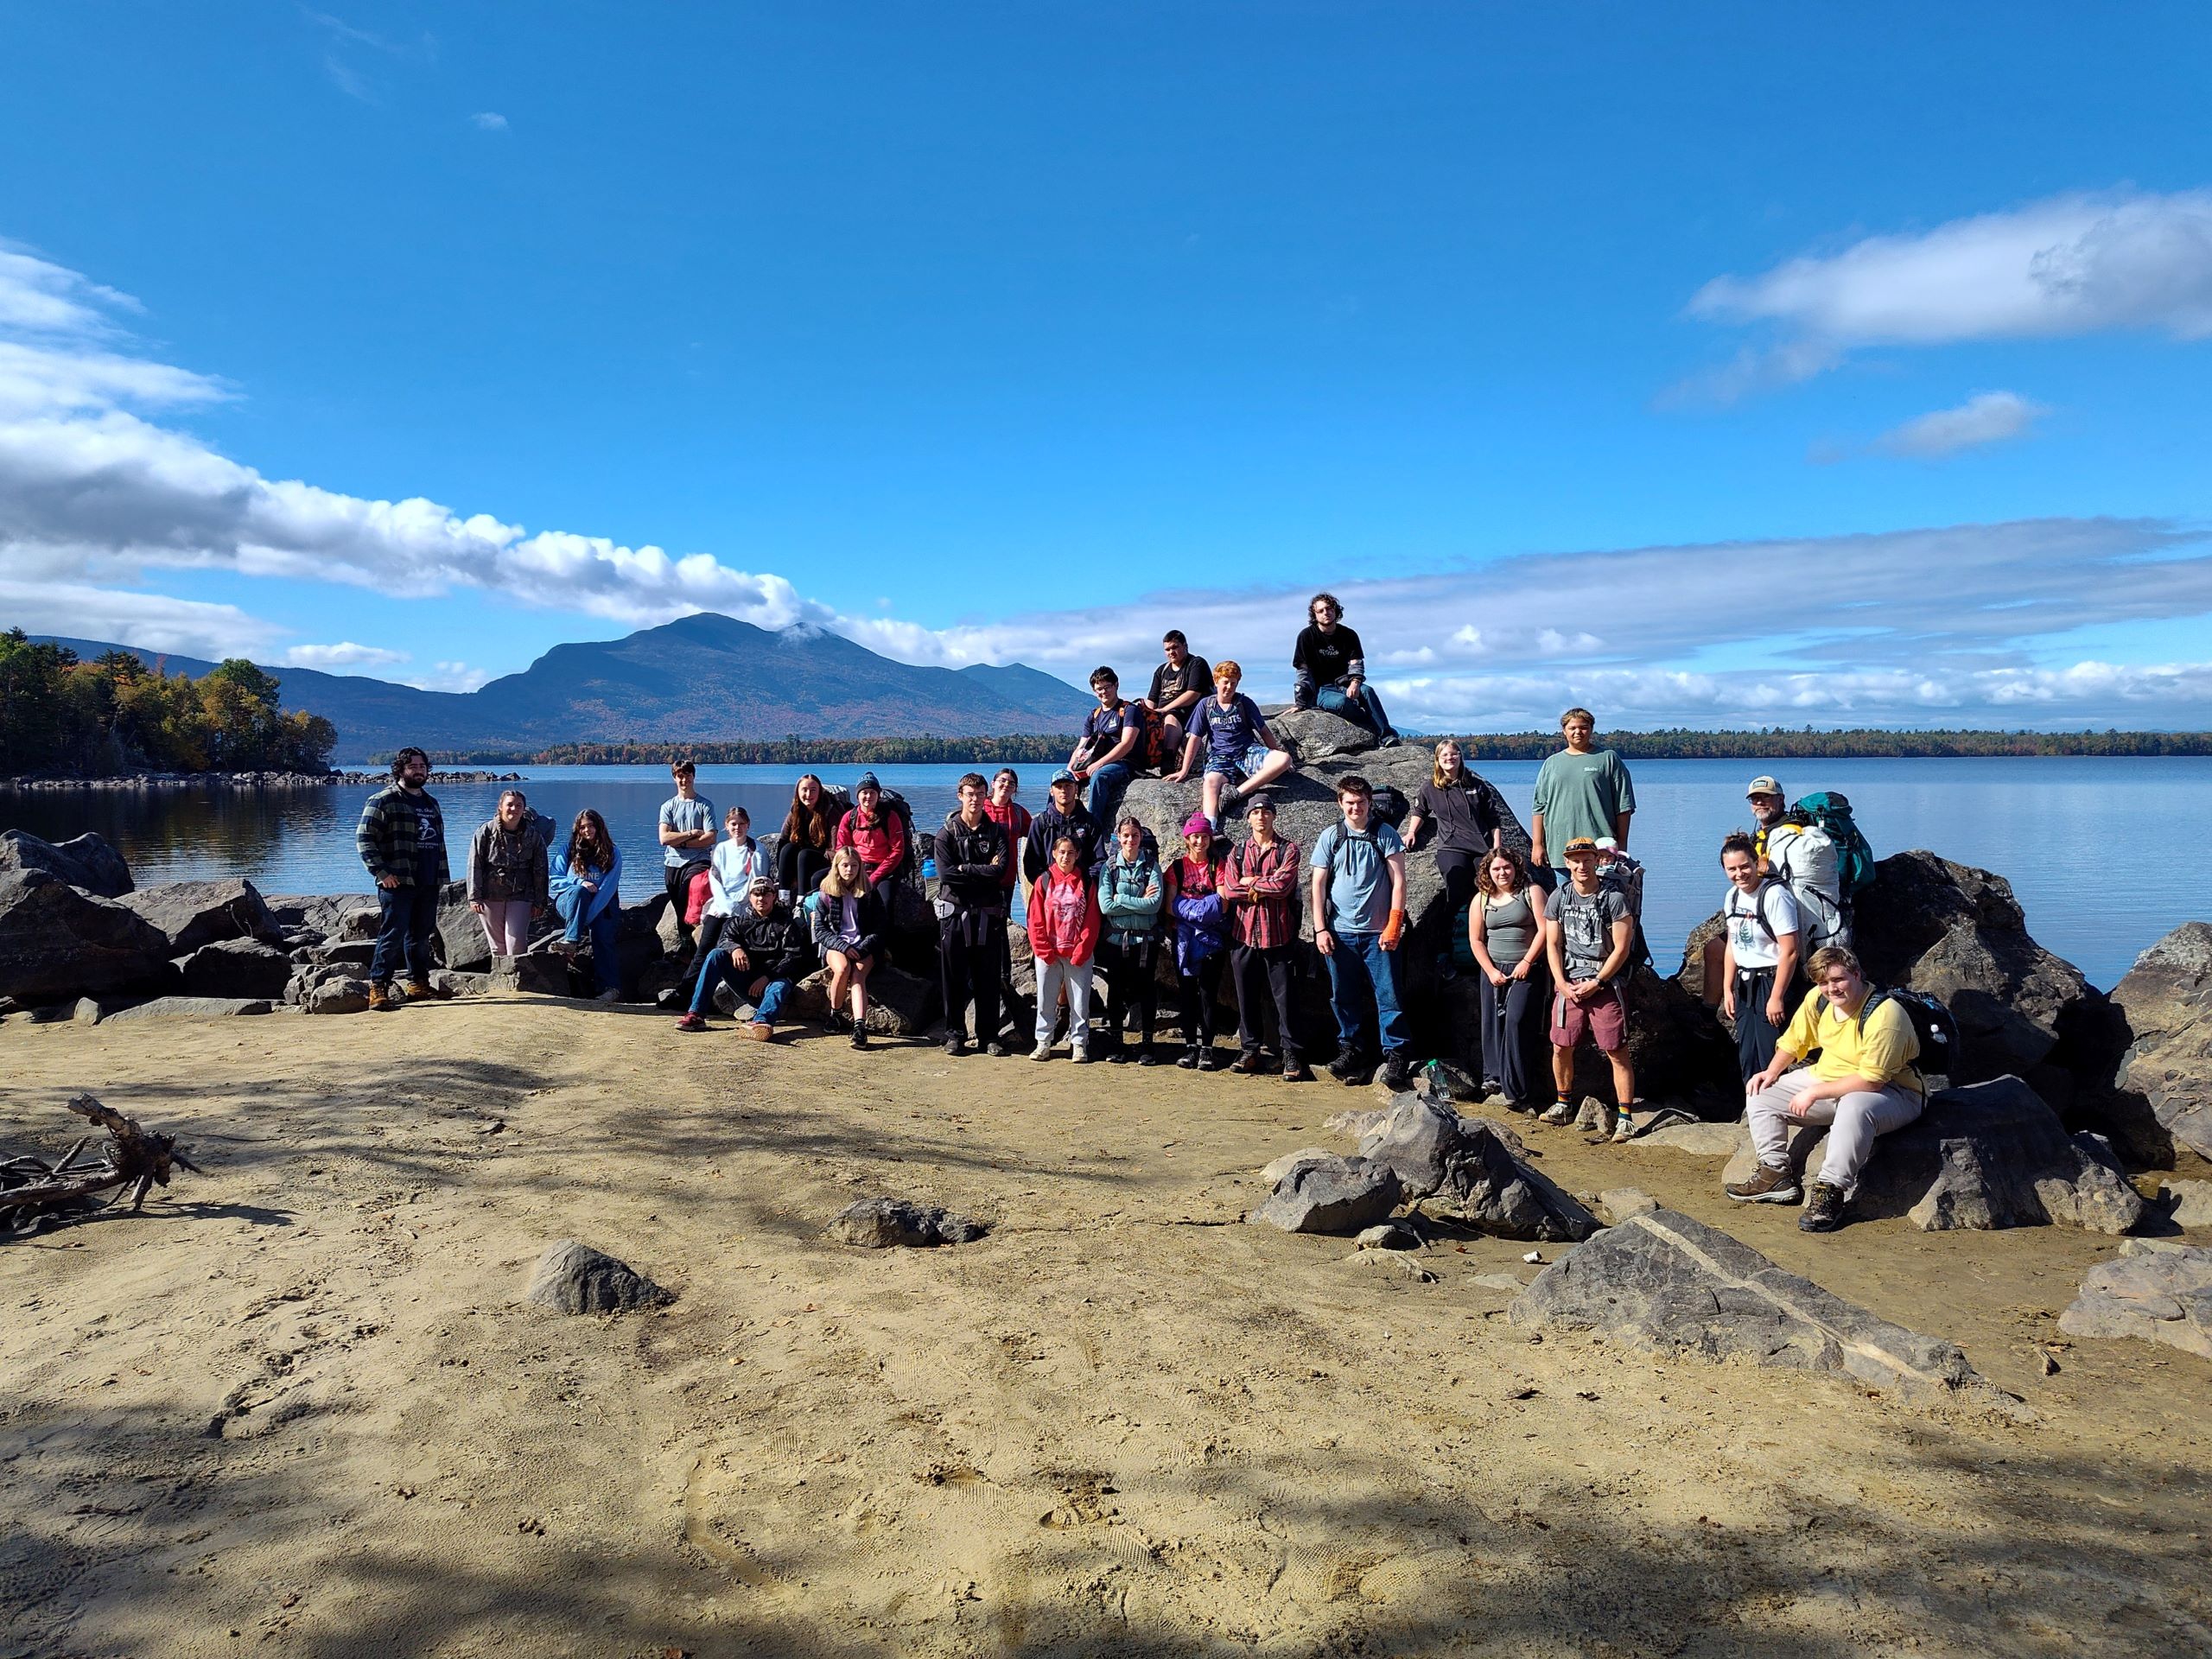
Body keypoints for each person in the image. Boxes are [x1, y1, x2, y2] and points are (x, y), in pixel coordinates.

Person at [1727, 945, 1924, 1234]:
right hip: (1829, 1078)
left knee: (1854, 1106)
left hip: (1895, 1093)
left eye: (1838, 980)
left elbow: (1873, 1080)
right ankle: (1774, 1174)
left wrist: (1815, 1093)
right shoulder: (1819, 1001)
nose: (1831, 988)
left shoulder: (1885, 1016)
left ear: (1856, 974)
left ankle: (1830, 1191)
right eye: (1823, 982)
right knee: (1760, 1092)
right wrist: (1770, 1072)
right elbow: (1794, 1042)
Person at [1309, 775, 1412, 1090]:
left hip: (1378, 934)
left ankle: (1395, 1053)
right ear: (1341, 804)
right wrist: (1320, 929)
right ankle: (1351, 1048)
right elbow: (1318, 886)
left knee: (1388, 996)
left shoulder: (1385, 834)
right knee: (1343, 996)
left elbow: (1399, 881)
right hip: (1339, 933)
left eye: (1361, 802)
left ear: (1369, 803)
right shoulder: (1331, 836)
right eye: (1350, 803)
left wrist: (1394, 923)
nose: (1356, 808)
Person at [1541, 836, 1637, 1139]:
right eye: (1576, 859)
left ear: (1597, 860)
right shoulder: (1559, 896)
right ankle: (1563, 1103)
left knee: (1616, 1049)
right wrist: (1560, 982)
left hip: (1604, 983)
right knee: (1561, 1045)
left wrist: (1598, 982)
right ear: (1567, 863)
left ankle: (1625, 1116)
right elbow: (1553, 944)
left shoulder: (1613, 898)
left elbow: (1622, 948)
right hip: (1569, 982)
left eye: (1587, 859)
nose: (1582, 865)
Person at [355, 746, 451, 1011]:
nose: (419, 771)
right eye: (413, 767)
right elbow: (364, 838)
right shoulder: (383, 800)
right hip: (397, 882)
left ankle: (418, 984)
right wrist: (381, 872)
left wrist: (441, 877)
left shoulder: (431, 803)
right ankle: (378, 987)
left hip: (428, 880)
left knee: (421, 936)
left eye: (422, 767)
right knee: (392, 934)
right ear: (401, 769)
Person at [1221, 794, 1308, 1080]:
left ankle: (1291, 1054)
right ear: (1248, 819)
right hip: (1243, 934)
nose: (1261, 816)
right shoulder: (1236, 852)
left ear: (1274, 816)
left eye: (1266, 812)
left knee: (1286, 998)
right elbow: (1231, 889)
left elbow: (1284, 886)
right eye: (1255, 812)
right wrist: (1260, 886)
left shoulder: (1288, 849)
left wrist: (1253, 882)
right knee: (1246, 996)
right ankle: (1250, 1050)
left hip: (1277, 934)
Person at [1402, 738, 1503, 966]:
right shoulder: (1431, 787)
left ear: (1460, 757)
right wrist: (1411, 833)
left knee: (1490, 891)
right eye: (1444, 755)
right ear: (1438, 760)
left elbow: (1493, 819)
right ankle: (1446, 950)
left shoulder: (1476, 785)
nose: (1450, 758)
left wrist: (1496, 849)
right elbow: (1420, 810)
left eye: (1454, 754)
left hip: (1482, 847)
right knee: (1456, 892)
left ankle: (1490, 946)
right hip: (1451, 846)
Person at [676, 877, 813, 1039]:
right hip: (746, 981)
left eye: (766, 893)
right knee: (715, 955)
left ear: (774, 896)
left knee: (780, 986)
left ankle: (761, 1023)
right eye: (757, 894)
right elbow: (724, 940)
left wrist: (767, 977)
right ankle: (696, 1014)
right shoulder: (739, 921)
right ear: (750, 897)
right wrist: (735, 949)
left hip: (773, 981)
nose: (761, 898)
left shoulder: (788, 924)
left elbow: (792, 958)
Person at [935, 772, 1010, 1058]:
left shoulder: (996, 832)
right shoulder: (947, 834)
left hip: (988, 916)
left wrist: (967, 868)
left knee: (988, 979)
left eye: (980, 794)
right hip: (954, 916)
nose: (976, 800)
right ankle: (954, 1035)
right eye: (970, 794)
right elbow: (947, 875)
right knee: (953, 978)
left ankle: (989, 1035)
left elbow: (1000, 871)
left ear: (986, 796)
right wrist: (979, 870)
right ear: (960, 796)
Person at [1168, 660, 1293, 831]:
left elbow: (1264, 732)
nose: (1229, 687)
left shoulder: (1244, 703)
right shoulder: (1206, 705)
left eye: (1233, 683)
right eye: (1225, 682)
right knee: (1211, 781)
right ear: (1216, 681)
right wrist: (1184, 770)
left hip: (1248, 752)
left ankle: (1237, 793)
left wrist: (1277, 755)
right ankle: (1209, 829)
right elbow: (1195, 738)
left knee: (1284, 759)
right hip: (1220, 756)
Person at [1719, 830, 1802, 1083]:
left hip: (1772, 980)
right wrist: (1727, 989)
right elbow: (1733, 944)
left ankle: (1774, 1107)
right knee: (1747, 1050)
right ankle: (1753, 1105)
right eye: (1731, 869)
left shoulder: (1775, 895)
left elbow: (1790, 950)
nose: (1739, 874)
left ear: (1757, 863)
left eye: (1745, 866)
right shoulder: (1732, 897)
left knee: (1772, 1050)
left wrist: (1776, 997)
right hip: (1744, 983)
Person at [1468, 847, 1547, 1111]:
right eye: (1496, 869)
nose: (1502, 873)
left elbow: (1545, 930)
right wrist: (1490, 970)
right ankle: (1494, 1077)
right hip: (1493, 968)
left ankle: (1517, 1088)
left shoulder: (1532, 892)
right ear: (1488, 872)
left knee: (1515, 1020)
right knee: (1492, 1022)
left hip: (1526, 967)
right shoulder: (1481, 899)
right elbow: (1476, 939)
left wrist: (1527, 962)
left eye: (1507, 867)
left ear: (1515, 868)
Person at [1748, 775, 1850, 951]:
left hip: (1790, 917)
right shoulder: (1764, 834)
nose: (1760, 803)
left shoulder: (1790, 831)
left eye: (1766, 797)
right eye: (1755, 798)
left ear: (1781, 799)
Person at [1529, 708, 1636, 878]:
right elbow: (1539, 807)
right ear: (1564, 731)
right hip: (1560, 847)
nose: (1578, 732)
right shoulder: (1552, 763)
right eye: (1572, 728)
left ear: (1591, 729)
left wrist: (1621, 845)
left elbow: (1624, 806)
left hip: (1600, 850)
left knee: (1602, 901)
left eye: (1583, 727)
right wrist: (1537, 844)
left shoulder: (1608, 758)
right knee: (1566, 901)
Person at [677, 807, 768, 1004]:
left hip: (742, 910)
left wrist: (735, 906)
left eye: (742, 824)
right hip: (720, 907)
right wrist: (725, 905)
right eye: (733, 824)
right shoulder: (720, 849)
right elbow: (715, 879)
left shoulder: (757, 849)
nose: (738, 828)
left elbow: (756, 882)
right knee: (703, 949)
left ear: (748, 825)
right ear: (727, 826)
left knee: (721, 951)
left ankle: (709, 999)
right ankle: (684, 992)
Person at [1096, 814, 1165, 1065]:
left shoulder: (1151, 866)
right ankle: (1117, 1043)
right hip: (1117, 941)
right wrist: (1138, 902)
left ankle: (1148, 1044)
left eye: (1135, 836)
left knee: (1146, 990)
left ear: (1140, 838)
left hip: (1146, 942)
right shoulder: (1110, 867)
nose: (1130, 840)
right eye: (1126, 835)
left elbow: (1154, 905)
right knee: (1115, 990)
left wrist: (1121, 899)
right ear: (1118, 838)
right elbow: (1105, 906)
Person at [1166, 810, 1232, 1069]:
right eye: (1194, 836)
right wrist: (1204, 909)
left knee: (1207, 993)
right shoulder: (1177, 868)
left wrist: (1189, 908)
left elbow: (1224, 904)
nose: (1199, 842)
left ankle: (1207, 1048)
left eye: (1204, 836)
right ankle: (1190, 1047)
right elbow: (1170, 907)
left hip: (1212, 941)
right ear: (1186, 838)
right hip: (1183, 940)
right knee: (1187, 994)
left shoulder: (1218, 865)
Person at [1027, 834, 1102, 1062]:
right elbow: (1035, 917)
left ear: (1077, 855)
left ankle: (1079, 1043)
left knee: (1079, 1002)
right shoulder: (1044, 880)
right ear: (1054, 854)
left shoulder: (1086, 882)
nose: (1066, 857)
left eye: (1070, 853)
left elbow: (1092, 919)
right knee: (1045, 1000)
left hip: (1077, 952)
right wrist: (1043, 949)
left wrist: (1082, 950)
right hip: (1049, 952)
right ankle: (1043, 1043)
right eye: (1062, 852)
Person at [1292, 592, 1399, 743]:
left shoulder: (1349, 635)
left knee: (1367, 691)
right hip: (1321, 689)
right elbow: (1303, 671)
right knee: (1341, 703)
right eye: (1320, 611)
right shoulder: (1306, 636)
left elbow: (1356, 663)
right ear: (1314, 615)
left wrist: (1355, 682)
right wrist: (1301, 703)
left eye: (1329, 608)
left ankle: (1387, 736)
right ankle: (1372, 724)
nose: (1326, 613)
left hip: (1345, 682)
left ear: (1336, 610)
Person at [815, 845, 889, 1050]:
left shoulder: (870, 892)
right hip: (837, 944)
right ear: (836, 867)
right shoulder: (825, 893)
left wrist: (864, 948)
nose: (849, 870)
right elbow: (820, 930)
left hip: (864, 944)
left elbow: (880, 926)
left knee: (858, 975)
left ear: (860, 867)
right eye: (845, 865)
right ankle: (835, 1014)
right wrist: (843, 947)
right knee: (842, 969)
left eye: (854, 865)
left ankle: (859, 1027)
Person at [467, 787, 548, 959]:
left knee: (516, 943)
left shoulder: (533, 836)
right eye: (510, 805)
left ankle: (518, 979)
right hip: (491, 895)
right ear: (500, 807)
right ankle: (501, 981)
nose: (514, 809)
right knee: (497, 946)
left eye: (519, 806)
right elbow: (475, 864)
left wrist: (540, 901)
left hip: (522, 894)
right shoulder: (485, 832)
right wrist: (474, 896)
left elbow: (540, 870)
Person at [550, 809, 623, 1001]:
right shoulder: (567, 850)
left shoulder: (613, 853)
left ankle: (610, 988)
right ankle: (571, 941)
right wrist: (579, 883)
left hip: (602, 905)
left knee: (602, 937)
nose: (587, 830)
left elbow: (607, 889)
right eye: (582, 827)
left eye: (591, 825)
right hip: (570, 902)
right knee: (579, 891)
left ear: (599, 827)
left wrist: (586, 918)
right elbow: (554, 880)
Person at [1070, 667, 1141, 835]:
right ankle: (1053, 823)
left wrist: (1100, 764)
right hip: (1097, 762)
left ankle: (1091, 829)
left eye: (1107, 687)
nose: (1104, 692)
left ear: (1116, 685)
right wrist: (1069, 769)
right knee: (1060, 779)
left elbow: (1127, 744)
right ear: (1094, 692)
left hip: (1126, 763)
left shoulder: (1129, 710)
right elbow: (1081, 747)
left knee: (1099, 776)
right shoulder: (1093, 715)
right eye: (1099, 689)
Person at [658, 760, 718, 953]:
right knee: (678, 906)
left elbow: (710, 837)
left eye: (687, 775)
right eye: (680, 776)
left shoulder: (705, 805)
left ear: (694, 777)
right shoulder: (668, 806)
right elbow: (664, 838)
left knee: (688, 893)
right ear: (674, 778)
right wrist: (691, 834)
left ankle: (695, 948)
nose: (684, 780)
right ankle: (685, 948)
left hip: (698, 860)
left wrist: (680, 842)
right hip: (673, 862)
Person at [835, 772, 911, 888]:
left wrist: (874, 878)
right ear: (858, 795)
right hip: (856, 868)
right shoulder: (850, 817)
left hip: (885, 871)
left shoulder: (890, 817)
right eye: (864, 792)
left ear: (878, 795)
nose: (868, 796)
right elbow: (842, 849)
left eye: (872, 793)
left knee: (885, 900)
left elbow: (897, 851)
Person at [1025, 769, 1102, 881]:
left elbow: (1100, 860)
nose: (1063, 790)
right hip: (1050, 890)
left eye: (1068, 786)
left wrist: (1084, 881)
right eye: (1059, 786)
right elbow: (1031, 863)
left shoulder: (1090, 822)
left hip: (1082, 888)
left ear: (1076, 789)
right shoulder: (1040, 823)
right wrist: (1047, 884)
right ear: (1051, 791)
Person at [1145, 631, 1211, 753]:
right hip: (1161, 712)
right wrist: (1149, 714)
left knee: (1171, 717)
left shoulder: (1196, 664)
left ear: (1185, 646)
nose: (1171, 652)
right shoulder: (1161, 670)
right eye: (1167, 649)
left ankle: (1168, 759)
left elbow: (1193, 694)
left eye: (1175, 647)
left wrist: (1165, 710)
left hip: (1188, 711)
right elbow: (1152, 699)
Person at [776, 774, 836, 904]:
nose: (808, 794)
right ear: (798, 792)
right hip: (803, 858)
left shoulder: (830, 811)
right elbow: (783, 839)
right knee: (787, 849)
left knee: (804, 855)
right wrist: (783, 871)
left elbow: (834, 848)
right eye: (804, 790)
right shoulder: (796, 810)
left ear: (820, 792)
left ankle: (801, 902)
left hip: (825, 860)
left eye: (813, 790)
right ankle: (783, 898)